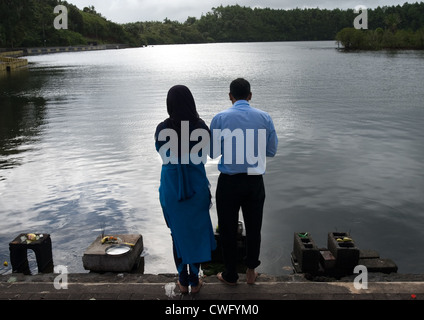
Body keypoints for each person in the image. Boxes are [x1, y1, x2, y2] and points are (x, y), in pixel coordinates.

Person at [210, 78, 278, 285]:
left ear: (230, 96)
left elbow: (212, 153)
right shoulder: (264, 118)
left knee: (228, 229)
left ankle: (230, 274)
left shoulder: (220, 118)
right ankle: (250, 272)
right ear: (250, 95)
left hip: (229, 182)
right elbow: (271, 150)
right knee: (254, 227)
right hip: (254, 182)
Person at [155, 85, 216, 294]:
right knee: (197, 232)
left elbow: (161, 153)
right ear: (191, 102)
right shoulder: (200, 126)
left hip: (172, 188)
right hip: (196, 187)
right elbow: (209, 154)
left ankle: (182, 280)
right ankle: (194, 280)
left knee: (177, 234)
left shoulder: (162, 128)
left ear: (169, 104)